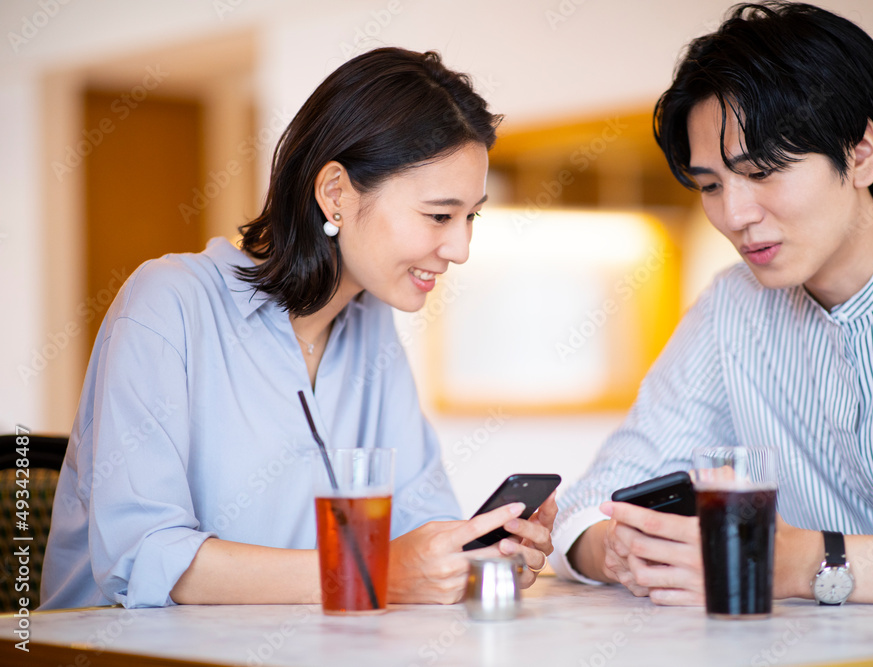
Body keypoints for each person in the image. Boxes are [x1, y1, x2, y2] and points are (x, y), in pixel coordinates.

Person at [40, 47, 556, 610]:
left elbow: (417, 517)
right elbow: (145, 556)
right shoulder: (169, 303)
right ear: (335, 193)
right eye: (439, 215)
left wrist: (473, 558)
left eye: (470, 216)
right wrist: (373, 574)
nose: (459, 248)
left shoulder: (369, 325)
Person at [551, 2, 873, 608]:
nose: (734, 216)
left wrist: (804, 563)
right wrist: (626, 548)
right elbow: (592, 505)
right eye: (710, 185)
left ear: (862, 152)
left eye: (763, 170)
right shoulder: (732, 308)